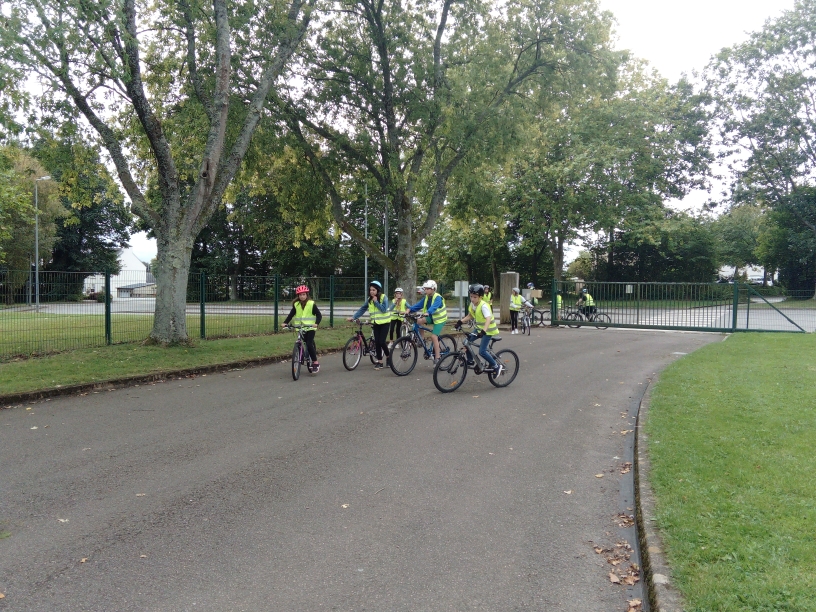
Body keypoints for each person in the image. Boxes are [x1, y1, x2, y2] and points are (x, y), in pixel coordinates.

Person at [455, 284, 502, 373]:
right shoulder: (473, 304)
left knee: (482, 351)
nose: (472, 299)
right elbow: (470, 315)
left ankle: (496, 366)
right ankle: (470, 361)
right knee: (466, 342)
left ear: (480, 297)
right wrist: (460, 322)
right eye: (471, 296)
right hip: (479, 329)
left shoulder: (484, 306)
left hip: (488, 330)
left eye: (475, 297)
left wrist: (483, 331)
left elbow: (488, 319)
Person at [348, 280, 391, 370]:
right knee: (377, 342)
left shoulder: (384, 297)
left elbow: (384, 310)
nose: (371, 291)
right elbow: (362, 309)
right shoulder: (369, 300)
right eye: (370, 290)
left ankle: (388, 357)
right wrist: (354, 317)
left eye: (374, 290)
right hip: (376, 323)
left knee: (382, 341)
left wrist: (376, 302)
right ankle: (380, 362)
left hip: (385, 323)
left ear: (378, 290)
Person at [282, 285, 323, 373]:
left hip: (311, 327)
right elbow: (291, 314)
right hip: (301, 328)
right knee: (302, 342)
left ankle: (315, 362)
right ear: (298, 296)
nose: (302, 296)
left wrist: (316, 323)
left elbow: (319, 315)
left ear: (307, 295)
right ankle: (303, 355)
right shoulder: (296, 304)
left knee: (308, 343)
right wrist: (285, 323)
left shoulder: (311, 304)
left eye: (303, 294)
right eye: (300, 295)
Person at [407, 279, 448, 363]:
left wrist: (428, 312)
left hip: (440, 319)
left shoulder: (438, 297)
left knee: (433, 337)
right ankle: (422, 339)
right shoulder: (426, 297)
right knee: (418, 321)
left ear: (433, 289)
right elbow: (418, 305)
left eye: (427, 288)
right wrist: (409, 310)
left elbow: (434, 307)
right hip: (432, 317)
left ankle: (437, 357)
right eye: (425, 288)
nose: (425, 290)